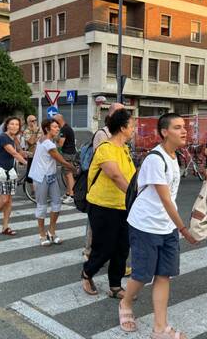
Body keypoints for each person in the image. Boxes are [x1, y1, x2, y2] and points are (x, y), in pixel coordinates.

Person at [119, 113, 197, 337]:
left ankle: (160, 328)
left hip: (166, 226)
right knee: (142, 275)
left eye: (184, 127)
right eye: (177, 127)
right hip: (146, 225)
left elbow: (170, 198)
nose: (184, 131)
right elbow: (164, 198)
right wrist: (184, 229)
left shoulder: (175, 156)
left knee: (164, 275)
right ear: (164, 132)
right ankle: (125, 303)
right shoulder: (156, 158)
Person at [81, 109, 136, 297]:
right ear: (122, 128)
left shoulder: (125, 149)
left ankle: (115, 285)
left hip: (123, 206)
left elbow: (130, 176)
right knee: (105, 247)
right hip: (102, 206)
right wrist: (135, 196)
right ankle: (87, 273)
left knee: (122, 248)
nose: (134, 129)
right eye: (132, 125)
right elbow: (115, 175)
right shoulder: (106, 148)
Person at [85, 102, 125, 261]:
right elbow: (102, 160)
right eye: (120, 112)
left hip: (113, 190)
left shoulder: (120, 134)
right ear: (111, 115)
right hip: (100, 186)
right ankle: (89, 252)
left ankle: (106, 254)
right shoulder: (103, 134)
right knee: (95, 223)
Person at [28, 118, 76, 245]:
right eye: (54, 127)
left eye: (57, 127)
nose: (58, 129)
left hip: (51, 176)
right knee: (42, 206)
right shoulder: (48, 143)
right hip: (41, 177)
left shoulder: (45, 139)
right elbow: (58, 158)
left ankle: (52, 232)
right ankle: (42, 234)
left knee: (56, 204)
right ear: (47, 129)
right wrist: (71, 167)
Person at [0, 117, 27, 236]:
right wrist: (27, 163)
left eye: (17, 125)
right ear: (7, 126)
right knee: (4, 199)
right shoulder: (3, 137)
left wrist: (30, 155)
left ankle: (5, 226)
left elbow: (20, 151)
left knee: (9, 201)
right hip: (0, 172)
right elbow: (14, 153)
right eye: (12, 124)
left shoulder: (14, 138)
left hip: (10, 172)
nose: (15, 126)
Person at [54, 114, 77, 204]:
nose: (55, 124)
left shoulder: (64, 129)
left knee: (68, 174)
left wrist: (55, 137)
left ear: (59, 121)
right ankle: (68, 193)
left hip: (68, 154)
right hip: (68, 153)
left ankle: (72, 195)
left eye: (55, 122)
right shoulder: (66, 128)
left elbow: (60, 144)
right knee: (65, 174)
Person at [22, 115, 41, 179]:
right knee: (30, 176)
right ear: (28, 122)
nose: (35, 122)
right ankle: (32, 188)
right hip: (31, 155)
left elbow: (41, 140)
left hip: (39, 154)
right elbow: (31, 142)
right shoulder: (26, 131)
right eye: (33, 121)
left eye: (36, 120)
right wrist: (35, 132)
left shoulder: (39, 129)